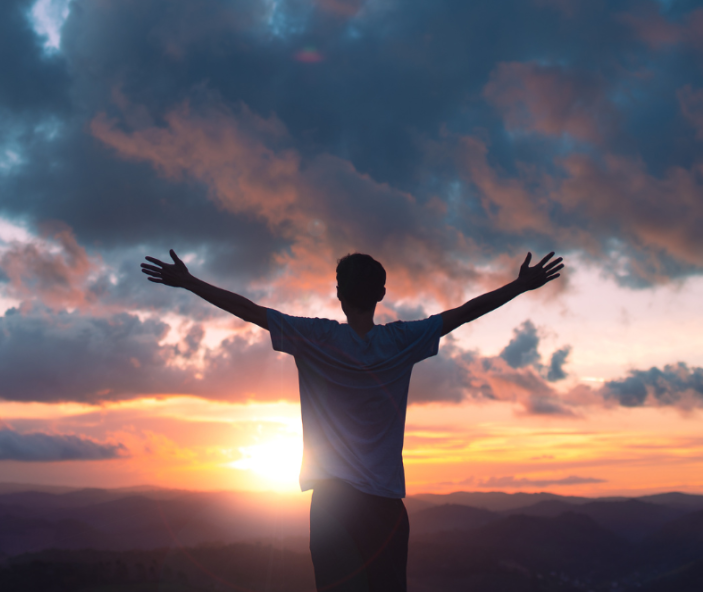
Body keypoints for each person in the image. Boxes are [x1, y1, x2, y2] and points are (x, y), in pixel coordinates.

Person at [141, 249, 564, 591]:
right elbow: (465, 313)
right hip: (385, 507)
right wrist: (520, 286)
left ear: (339, 295)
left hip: (331, 506)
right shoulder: (403, 340)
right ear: (380, 294)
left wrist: (190, 282)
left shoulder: (315, 338)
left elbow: (248, 310)